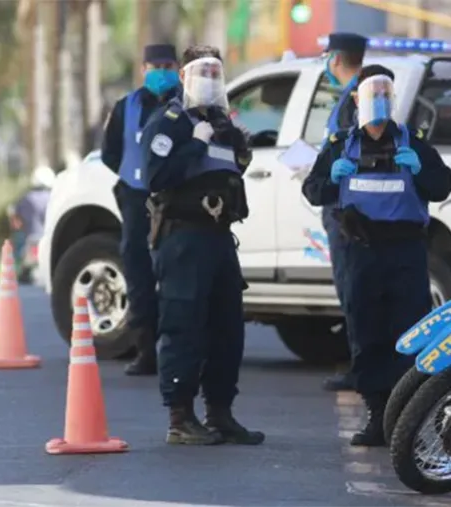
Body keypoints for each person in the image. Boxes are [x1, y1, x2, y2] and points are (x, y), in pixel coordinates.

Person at [301, 65, 451, 446]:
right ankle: (376, 415)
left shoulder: (412, 143)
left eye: (387, 94)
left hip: (404, 251)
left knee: (407, 334)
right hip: (361, 251)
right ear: (356, 99)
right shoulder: (341, 145)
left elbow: (443, 185)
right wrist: (331, 178)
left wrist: (420, 172)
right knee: (367, 334)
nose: (380, 101)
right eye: (373, 94)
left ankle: (408, 417)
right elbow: (312, 189)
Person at [140, 44, 264, 446]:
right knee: (184, 326)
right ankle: (180, 417)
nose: (210, 82)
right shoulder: (170, 121)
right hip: (183, 237)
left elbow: (229, 175)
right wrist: (194, 142)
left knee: (227, 328)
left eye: (216, 74)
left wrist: (240, 151)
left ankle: (220, 412)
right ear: (185, 76)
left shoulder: (223, 124)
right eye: (203, 73)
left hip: (219, 237)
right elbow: (156, 176)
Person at [102, 44, 181, 376]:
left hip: (178, 201)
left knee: (178, 277)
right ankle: (146, 351)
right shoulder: (126, 107)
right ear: (143, 68)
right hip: (137, 201)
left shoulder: (189, 104)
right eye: (155, 65)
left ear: (177, 68)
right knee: (139, 275)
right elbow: (111, 153)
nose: (161, 72)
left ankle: (179, 353)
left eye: (167, 65)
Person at [319, 32, 368, 393]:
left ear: (335, 56)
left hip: (347, 208)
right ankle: (362, 363)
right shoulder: (358, 93)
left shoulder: (355, 97)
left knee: (353, 288)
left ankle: (361, 366)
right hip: (349, 204)